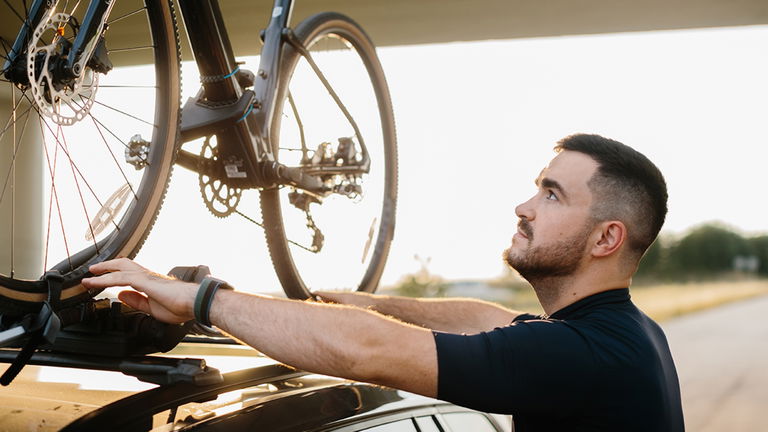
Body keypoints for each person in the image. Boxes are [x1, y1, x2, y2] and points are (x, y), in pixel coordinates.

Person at [82, 133, 684, 431]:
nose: (524, 206)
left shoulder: (588, 356)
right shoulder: (622, 333)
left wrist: (201, 300)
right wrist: (365, 301)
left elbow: (369, 349)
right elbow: (485, 320)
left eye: (551, 195)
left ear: (606, 238)